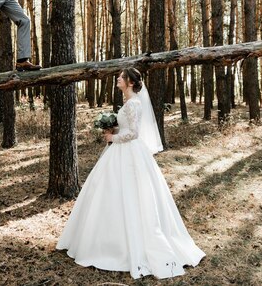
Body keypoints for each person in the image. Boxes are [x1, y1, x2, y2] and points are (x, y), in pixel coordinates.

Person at [56, 68, 205, 280]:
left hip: (130, 154)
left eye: (121, 77)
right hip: (120, 152)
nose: (117, 79)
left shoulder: (134, 103)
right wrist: (112, 131)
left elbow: (134, 133)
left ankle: (124, 247)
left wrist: (112, 139)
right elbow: (126, 128)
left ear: (131, 83)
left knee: (131, 195)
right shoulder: (129, 102)